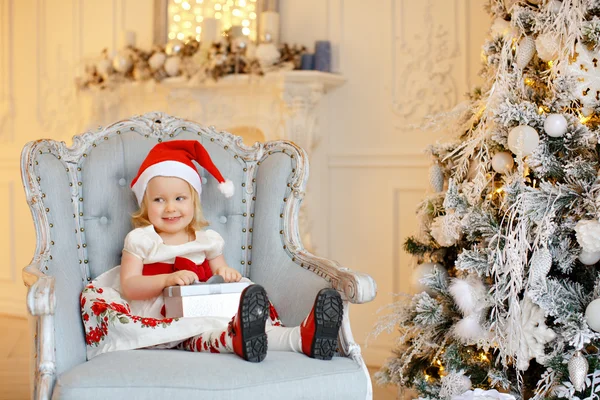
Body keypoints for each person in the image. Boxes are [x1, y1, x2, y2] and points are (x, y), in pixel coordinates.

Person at [80, 140, 343, 363]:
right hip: (164, 313)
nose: (170, 207)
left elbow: (218, 272)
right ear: (145, 204)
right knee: (198, 334)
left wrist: (226, 273)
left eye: (179, 198)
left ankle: (302, 337)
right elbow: (130, 287)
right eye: (159, 200)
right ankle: (236, 339)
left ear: (194, 202)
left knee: (250, 320)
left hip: (204, 303)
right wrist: (166, 280)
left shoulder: (207, 240)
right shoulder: (141, 240)